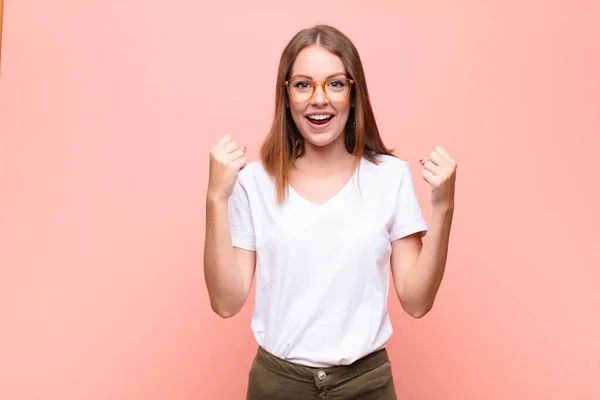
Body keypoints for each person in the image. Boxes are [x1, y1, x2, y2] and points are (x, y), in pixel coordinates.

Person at [203, 24, 457, 400]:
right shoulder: (254, 182)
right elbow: (226, 302)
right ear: (286, 96)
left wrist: (444, 207)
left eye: (335, 84)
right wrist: (215, 198)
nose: (318, 98)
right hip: (278, 386)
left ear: (354, 95)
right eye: (303, 84)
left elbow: (417, 301)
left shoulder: (390, 177)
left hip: (366, 386)